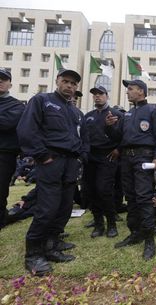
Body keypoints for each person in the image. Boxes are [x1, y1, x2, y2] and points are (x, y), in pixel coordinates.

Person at [17, 68, 89, 276]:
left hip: (70, 163)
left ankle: (51, 245)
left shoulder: (76, 112)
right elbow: (27, 129)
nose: (69, 86)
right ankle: (33, 255)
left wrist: (81, 157)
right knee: (47, 208)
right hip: (51, 160)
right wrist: (42, 155)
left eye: (73, 84)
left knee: (65, 206)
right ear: (57, 81)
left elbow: (83, 138)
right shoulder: (42, 100)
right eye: (66, 81)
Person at [105, 79, 156, 260]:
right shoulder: (128, 114)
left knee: (143, 197)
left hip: (143, 157)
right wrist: (110, 127)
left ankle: (149, 239)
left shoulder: (153, 111)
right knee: (130, 196)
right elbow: (119, 137)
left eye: (130, 89)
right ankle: (135, 233)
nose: (127, 92)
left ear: (141, 91)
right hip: (126, 158)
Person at [83, 85, 123, 238]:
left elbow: (124, 136)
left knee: (104, 190)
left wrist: (118, 149)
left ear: (107, 96)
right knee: (91, 190)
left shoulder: (116, 114)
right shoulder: (88, 116)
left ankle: (112, 223)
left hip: (108, 156)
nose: (97, 96)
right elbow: (84, 137)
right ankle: (98, 223)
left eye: (100, 94)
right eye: (94, 94)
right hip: (90, 157)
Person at [0, 68, 25, 229]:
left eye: (3, 79)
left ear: (10, 84)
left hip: (4, 154)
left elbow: (6, 123)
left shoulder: (16, 105)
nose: (0, 81)